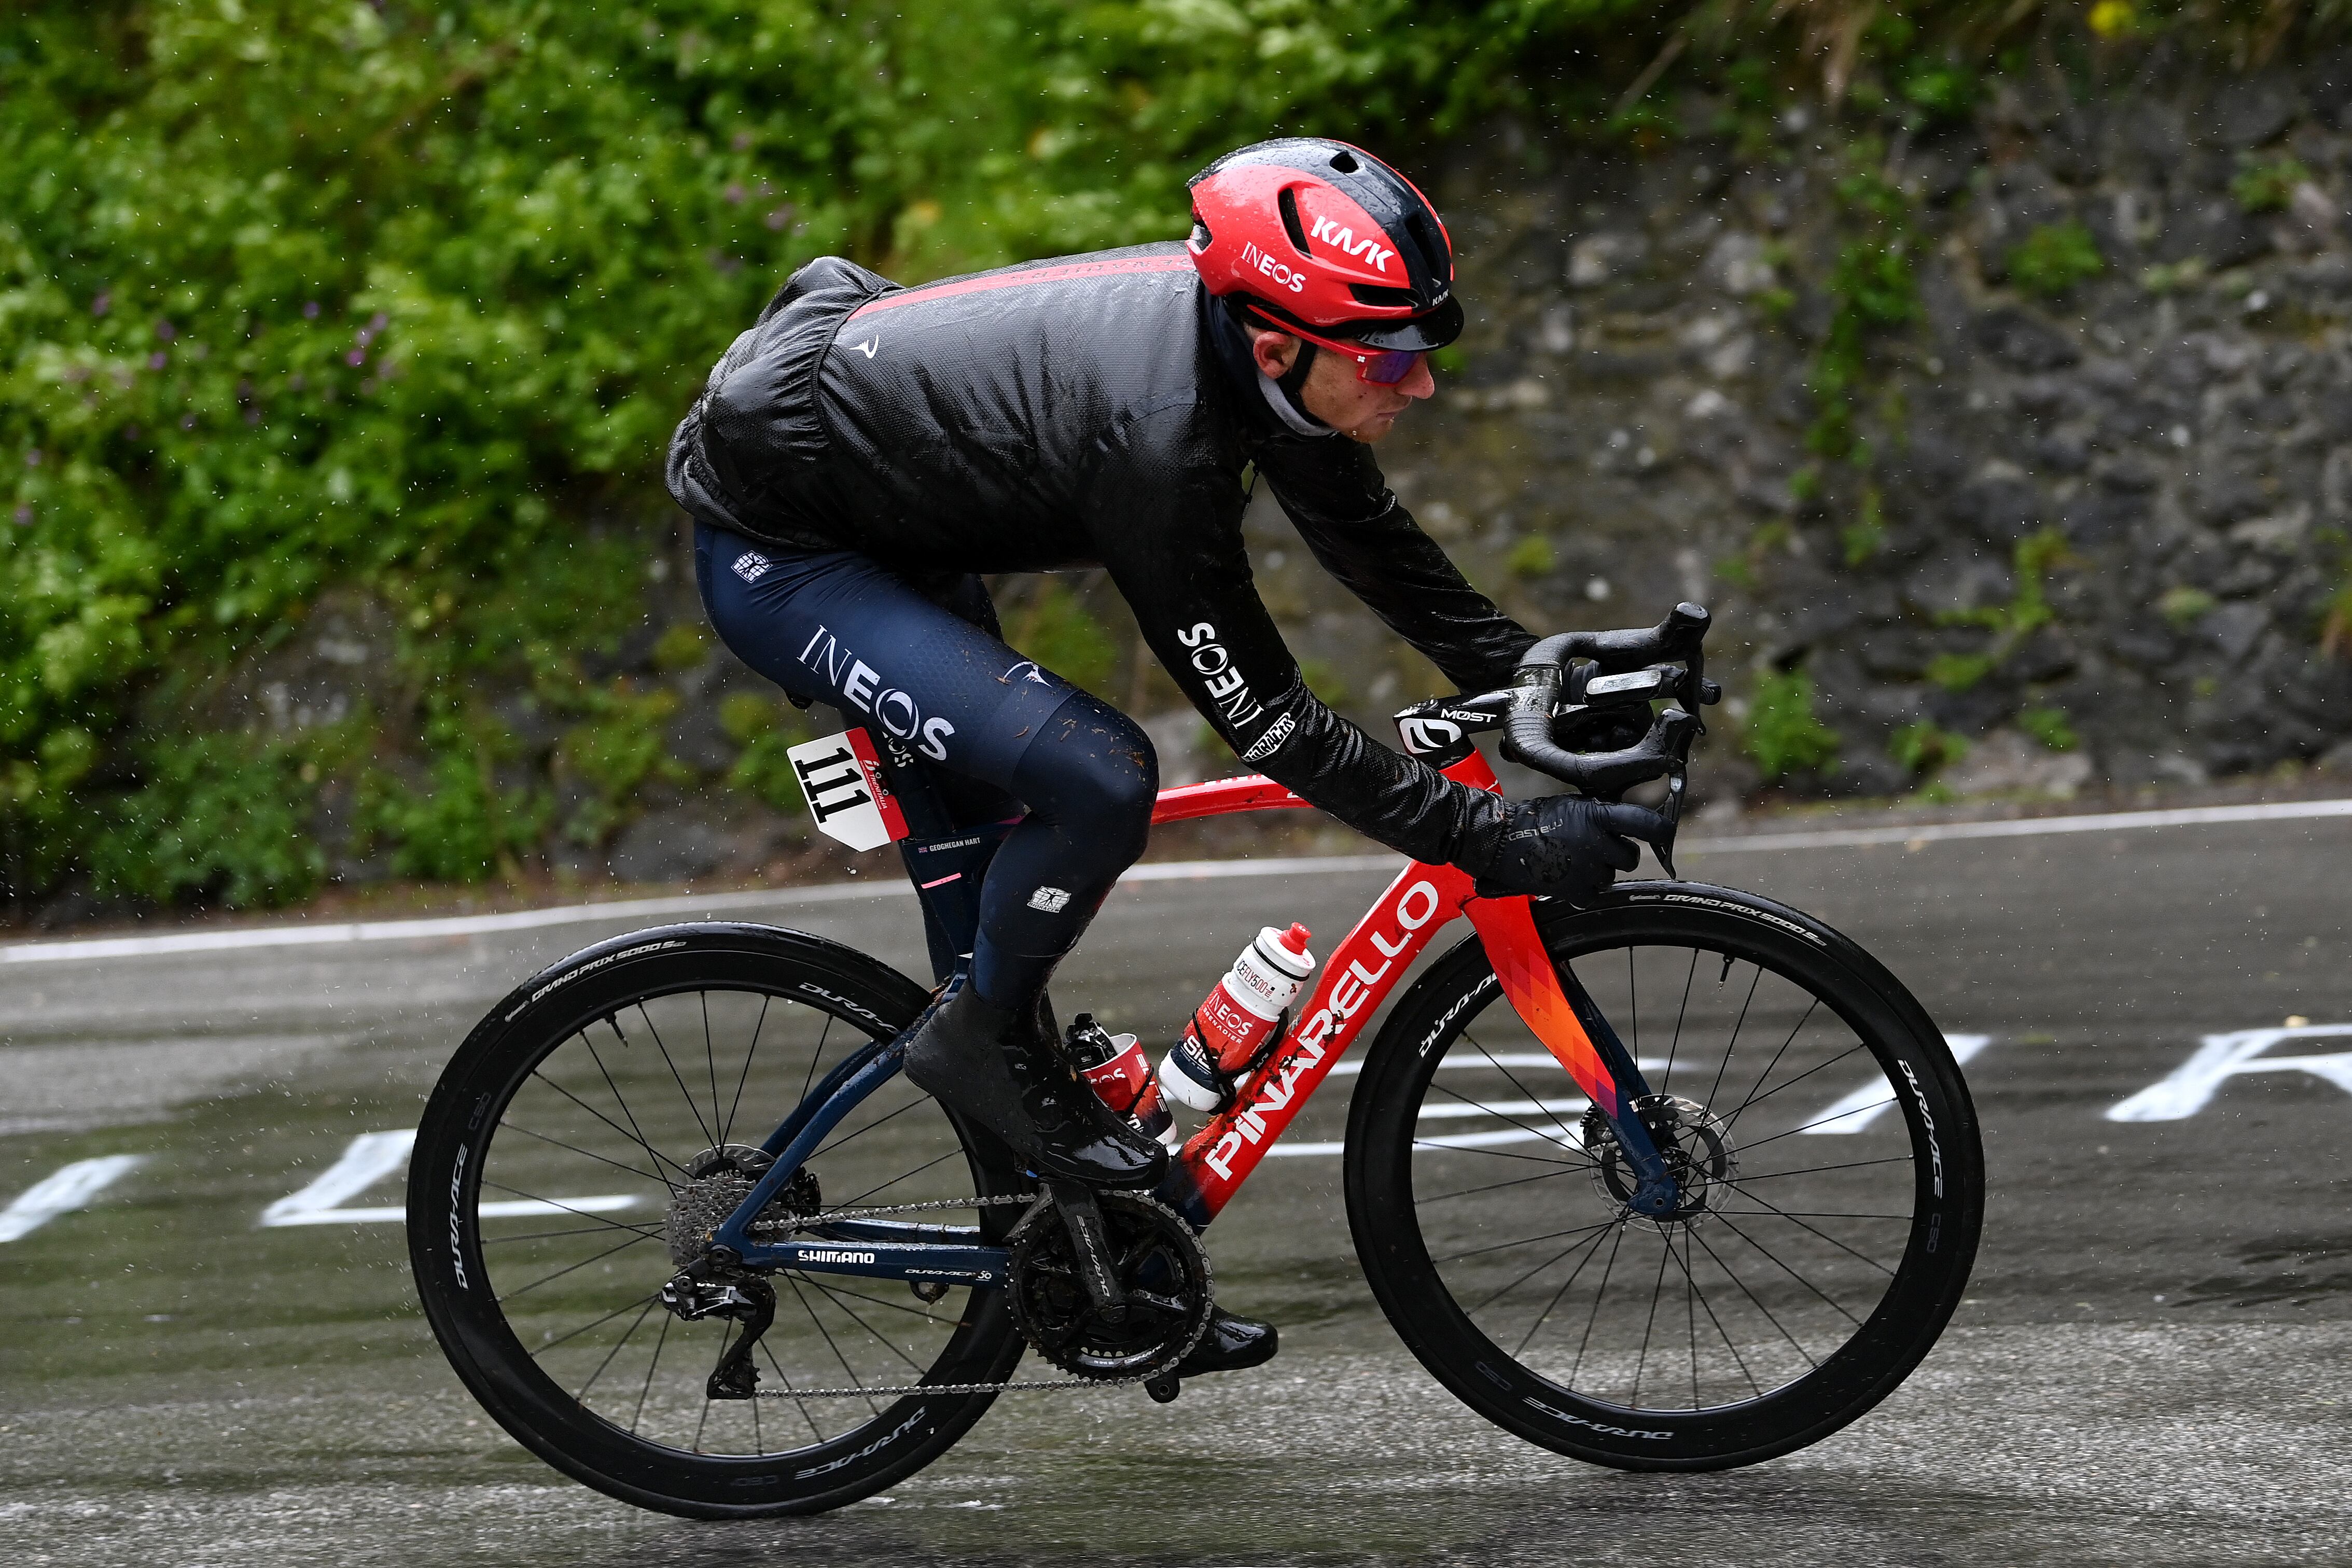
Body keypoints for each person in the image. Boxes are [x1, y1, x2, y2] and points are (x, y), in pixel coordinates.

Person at [666, 137, 1665, 1378]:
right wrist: (1484, 834)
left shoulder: (1256, 358)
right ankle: (980, 1043)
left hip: (876, 499)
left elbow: (1365, 538)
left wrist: (1534, 676)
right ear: (1273, 341)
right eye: (1390, 360)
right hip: (784, 549)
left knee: (1001, 904)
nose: (1418, 386)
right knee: (1098, 776)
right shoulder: (1162, 442)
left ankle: (1105, 1270)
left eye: (1423, 349)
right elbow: (1273, 721)